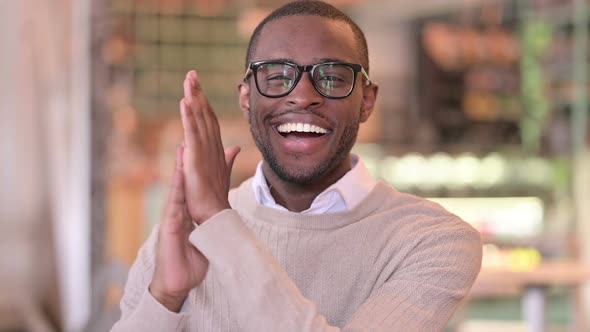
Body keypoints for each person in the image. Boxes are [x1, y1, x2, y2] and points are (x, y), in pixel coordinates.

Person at [111, 1, 482, 331]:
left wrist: (218, 222)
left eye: (333, 78)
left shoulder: (433, 241)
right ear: (246, 97)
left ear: (367, 101)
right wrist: (165, 296)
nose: (303, 97)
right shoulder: (179, 237)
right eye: (277, 77)